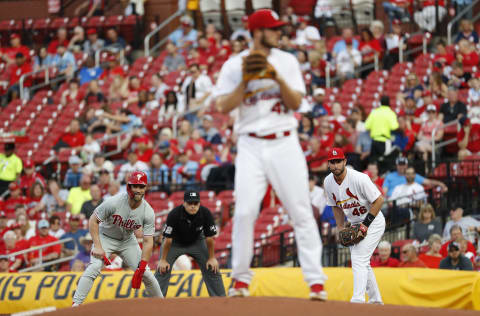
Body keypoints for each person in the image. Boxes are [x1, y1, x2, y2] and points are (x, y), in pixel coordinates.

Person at [213, 9, 327, 300]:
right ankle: (240, 281)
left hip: (284, 142)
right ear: (257, 31)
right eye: (273, 28)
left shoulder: (286, 61)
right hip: (250, 145)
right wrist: (245, 81)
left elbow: (295, 103)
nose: (279, 32)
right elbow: (224, 107)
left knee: (300, 211)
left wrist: (275, 77)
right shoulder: (234, 65)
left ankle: (316, 282)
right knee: (245, 212)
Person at [72, 171, 163, 305]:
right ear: (128, 187)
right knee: (94, 267)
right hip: (106, 238)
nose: (138, 190)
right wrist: (98, 246)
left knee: (147, 275)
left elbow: (148, 240)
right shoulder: (114, 202)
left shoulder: (148, 211)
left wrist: (142, 265)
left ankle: (163, 306)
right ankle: (76, 305)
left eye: (141, 186)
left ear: (145, 188)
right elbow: (93, 220)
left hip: (127, 241)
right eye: (135, 186)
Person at [323, 147, 385, 304]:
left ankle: (357, 300)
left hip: (373, 220)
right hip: (354, 223)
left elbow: (379, 200)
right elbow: (335, 206)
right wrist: (340, 227)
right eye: (332, 162)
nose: (336, 165)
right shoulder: (328, 182)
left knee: (358, 258)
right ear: (328, 164)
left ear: (345, 161)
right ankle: (376, 301)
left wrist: (365, 225)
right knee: (364, 262)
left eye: (338, 161)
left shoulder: (359, 178)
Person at [155, 191, 226, 296]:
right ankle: (155, 301)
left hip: (197, 241)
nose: (193, 206)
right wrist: (163, 260)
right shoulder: (174, 214)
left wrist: (212, 258)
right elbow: (167, 239)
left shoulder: (205, 213)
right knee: (162, 269)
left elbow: (209, 238)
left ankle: (221, 300)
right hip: (175, 243)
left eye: (195, 203)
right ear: (184, 203)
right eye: (190, 203)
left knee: (212, 267)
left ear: (199, 203)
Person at [383, 157, 447, 198]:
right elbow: (384, 191)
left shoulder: (411, 175)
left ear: (406, 165)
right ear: (396, 166)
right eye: (400, 165)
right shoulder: (390, 176)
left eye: (403, 165)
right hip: (391, 200)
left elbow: (428, 182)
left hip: (408, 200)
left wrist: (441, 184)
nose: (402, 167)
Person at [365, 96, 399, 167]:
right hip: (384, 140)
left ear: (380, 103)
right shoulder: (391, 113)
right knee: (386, 161)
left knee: (373, 162)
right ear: (389, 103)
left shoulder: (374, 112)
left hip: (374, 141)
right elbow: (394, 127)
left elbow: (367, 126)